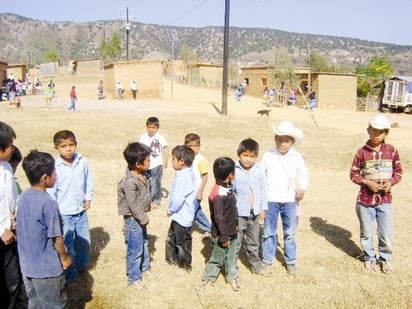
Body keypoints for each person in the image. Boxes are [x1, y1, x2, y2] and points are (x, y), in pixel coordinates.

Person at [17, 150, 71, 308]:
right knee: (55, 305)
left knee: (35, 304)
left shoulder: (24, 196)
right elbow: (57, 238)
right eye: (54, 172)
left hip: (27, 267)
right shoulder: (48, 203)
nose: (56, 175)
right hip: (47, 270)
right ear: (45, 178)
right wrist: (64, 258)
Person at [350, 114, 402, 273]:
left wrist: (391, 183)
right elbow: (353, 174)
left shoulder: (392, 151)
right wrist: (366, 182)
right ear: (368, 130)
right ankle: (369, 257)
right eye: (374, 130)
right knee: (366, 233)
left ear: (386, 133)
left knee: (385, 233)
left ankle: (385, 259)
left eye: (381, 131)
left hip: (385, 200)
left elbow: (398, 172)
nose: (376, 134)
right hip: (365, 201)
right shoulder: (361, 152)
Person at [261, 121, 308, 275]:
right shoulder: (268, 156)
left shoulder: (297, 157)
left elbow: (303, 175)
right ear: (275, 139)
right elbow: (261, 177)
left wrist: (302, 189)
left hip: (289, 199)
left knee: (290, 233)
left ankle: (290, 261)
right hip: (271, 198)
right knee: (268, 231)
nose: (282, 143)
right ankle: (267, 259)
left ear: (292, 142)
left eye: (286, 140)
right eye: (279, 139)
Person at [47, 130, 93, 283]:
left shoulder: (82, 161)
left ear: (76, 145)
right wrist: (54, 212)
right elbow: (52, 191)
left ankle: (82, 268)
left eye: (71, 145)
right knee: (68, 245)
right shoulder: (54, 167)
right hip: (64, 213)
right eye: (64, 146)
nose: (68, 149)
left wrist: (88, 197)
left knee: (84, 242)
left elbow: (88, 181)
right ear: (56, 148)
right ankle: (70, 275)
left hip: (80, 211)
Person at [200, 157, 240, 292]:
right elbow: (219, 218)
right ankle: (208, 278)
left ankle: (232, 277)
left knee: (232, 257)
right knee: (217, 258)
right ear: (230, 175)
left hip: (233, 230)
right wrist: (223, 237)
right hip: (222, 234)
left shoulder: (227, 187)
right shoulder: (217, 194)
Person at [118, 142, 152, 290]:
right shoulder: (130, 182)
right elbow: (132, 204)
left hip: (139, 218)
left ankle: (145, 268)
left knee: (143, 244)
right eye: (148, 160)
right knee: (135, 249)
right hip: (133, 220)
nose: (150, 162)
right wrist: (143, 218)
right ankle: (134, 278)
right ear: (138, 164)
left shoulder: (142, 175)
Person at [0, 121, 27, 308]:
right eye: (9, 145)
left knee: (13, 279)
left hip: (10, 236)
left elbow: (13, 196)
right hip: (2, 234)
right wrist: (1, 229)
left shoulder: (7, 168)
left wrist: (17, 213)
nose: (12, 148)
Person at [233, 138, 269, 275]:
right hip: (239, 213)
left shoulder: (258, 171)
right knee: (236, 241)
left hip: (254, 213)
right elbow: (231, 191)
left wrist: (262, 209)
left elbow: (262, 190)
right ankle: (232, 267)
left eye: (252, 156)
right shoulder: (234, 170)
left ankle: (256, 266)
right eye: (245, 155)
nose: (248, 159)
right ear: (239, 154)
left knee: (254, 241)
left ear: (256, 157)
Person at [165, 145, 197, 272]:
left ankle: (184, 265)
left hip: (182, 216)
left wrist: (170, 209)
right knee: (171, 237)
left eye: (173, 159)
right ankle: (171, 259)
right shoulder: (188, 174)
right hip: (180, 216)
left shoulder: (183, 178)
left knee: (182, 242)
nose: (172, 162)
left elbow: (178, 198)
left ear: (181, 161)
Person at [184, 133, 211, 234]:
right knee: (197, 212)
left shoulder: (200, 160)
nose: (193, 148)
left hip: (195, 192)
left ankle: (186, 230)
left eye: (196, 146)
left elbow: (205, 176)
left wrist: (200, 190)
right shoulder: (185, 158)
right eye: (190, 146)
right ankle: (210, 228)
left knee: (191, 212)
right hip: (187, 191)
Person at [138, 117, 169, 207]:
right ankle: (146, 199)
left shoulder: (159, 137)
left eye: (153, 127)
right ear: (146, 127)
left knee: (155, 183)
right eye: (149, 127)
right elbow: (139, 148)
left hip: (157, 164)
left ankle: (155, 200)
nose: (151, 130)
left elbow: (166, 148)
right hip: (146, 165)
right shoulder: (143, 137)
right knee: (145, 182)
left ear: (157, 128)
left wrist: (165, 160)